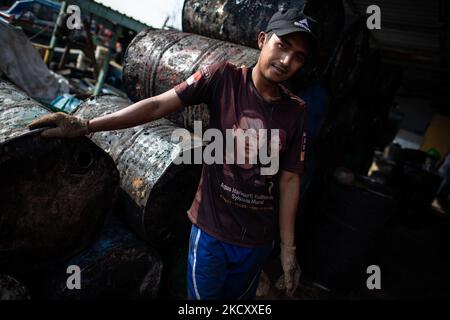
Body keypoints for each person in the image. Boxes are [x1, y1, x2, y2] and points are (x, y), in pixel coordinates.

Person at [28, 8, 316, 300]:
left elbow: (290, 179)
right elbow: (156, 105)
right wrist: (87, 125)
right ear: (262, 39)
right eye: (282, 46)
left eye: (299, 57)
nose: (287, 61)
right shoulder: (224, 78)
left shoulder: (296, 111)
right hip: (213, 234)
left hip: (256, 243)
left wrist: (288, 250)